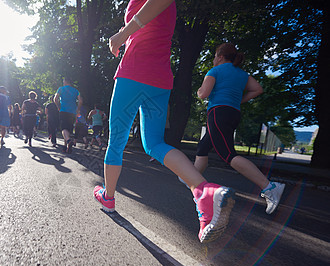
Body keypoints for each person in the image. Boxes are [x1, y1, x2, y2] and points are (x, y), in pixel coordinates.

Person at [94, 0, 235, 243]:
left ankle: (108, 197)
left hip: (132, 74)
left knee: (116, 140)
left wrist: (121, 34)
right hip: (159, 80)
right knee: (154, 144)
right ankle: (204, 191)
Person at [192, 42, 285, 215]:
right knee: (203, 147)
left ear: (220, 57)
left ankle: (270, 187)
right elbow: (258, 89)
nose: (213, 59)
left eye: (214, 56)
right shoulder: (242, 74)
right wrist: (238, 100)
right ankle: (191, 179)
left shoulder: (215, 71)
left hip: (218, 112)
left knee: (228, 155)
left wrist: (199, 91)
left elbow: (203, 94)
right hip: (233, 113)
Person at [54, 77, 83, 153]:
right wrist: (78, 109)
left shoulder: (61, 89)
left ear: (65, 81)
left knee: (63, 129)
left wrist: (58, 107)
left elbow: (55, 99)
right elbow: (80, 101)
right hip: (72, 112)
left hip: (63, 111)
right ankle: (65, 146)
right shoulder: (76, 91)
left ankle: (68, 141)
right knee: (68, 129)